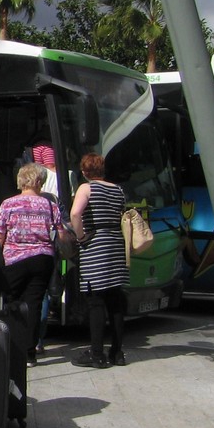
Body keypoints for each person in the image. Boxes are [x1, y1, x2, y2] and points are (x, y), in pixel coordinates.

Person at [0, 162, 59, 366]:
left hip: (14, 259)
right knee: (34, 304)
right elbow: (59, 234)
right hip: (42, 258)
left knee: (11, 303)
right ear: (39, 181)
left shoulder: (8, 204)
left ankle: (11, 347)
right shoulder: (50, 205)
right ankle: (30, 352)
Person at [69, 152, 129, 368]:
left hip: (96, 246)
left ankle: (96, 354)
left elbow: (76, 214)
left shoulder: (87, 188)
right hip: (115, 245)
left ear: (85, 172)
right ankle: (117, 352)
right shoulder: (118, 190)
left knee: (96, 302)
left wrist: (81, 236)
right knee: (115, 301)